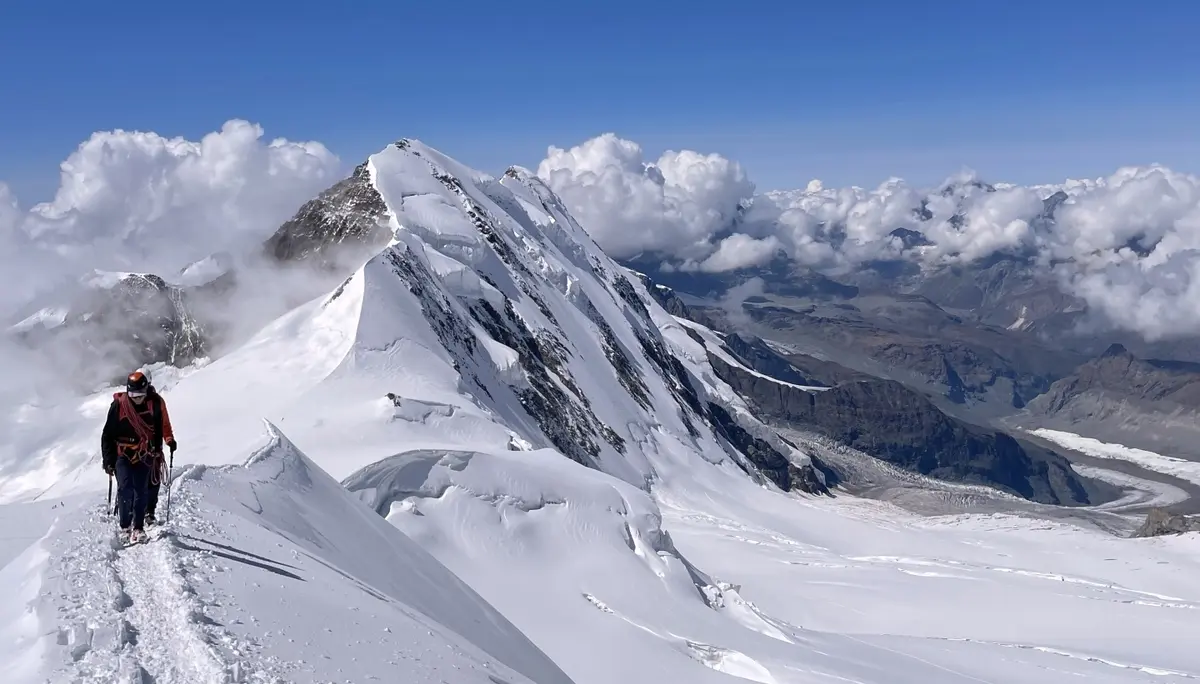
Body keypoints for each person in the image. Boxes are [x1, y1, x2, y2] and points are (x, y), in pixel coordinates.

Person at [101, 370, 177, 542]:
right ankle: (125, 526)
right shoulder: (119, 406)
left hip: (146, 452)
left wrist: (169, 439)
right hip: (123, 454)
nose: (136, 398)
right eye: (133, 394)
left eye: (139, 394)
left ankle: (138, 526)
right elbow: (107, 435)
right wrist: (108, 461)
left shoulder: (155, 403)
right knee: (125, 488)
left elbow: (163, 423)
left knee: (142, 489)